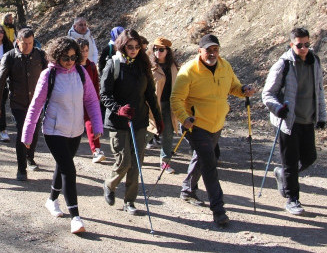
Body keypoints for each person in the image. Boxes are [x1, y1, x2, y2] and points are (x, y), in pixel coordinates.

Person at [171, 34, 255, 227]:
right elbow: (175, 98)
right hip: (196, 124)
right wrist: (184, 118)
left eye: (215, 49)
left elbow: (233, 87)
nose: (212, 53)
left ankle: (188, 189)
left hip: (216, 124)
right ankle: (219, 210)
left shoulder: (225, 66)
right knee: (210, 164)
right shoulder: (189, 71)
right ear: (199, 51)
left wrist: (243, 90)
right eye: (208, 50)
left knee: (203, 158)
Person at [22, 37, 103, 234]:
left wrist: (97, 125)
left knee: (62, 165)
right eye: (65, 58)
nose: (70, 61)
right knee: (69, 169)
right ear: (56, 56)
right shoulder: (48, 75)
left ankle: (51, 200)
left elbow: (92, 101)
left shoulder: (81, 73)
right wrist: (28, 133)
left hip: (75, 131)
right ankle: (76, 216)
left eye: (74, 57)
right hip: (54, 130)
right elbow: (35, 105)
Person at [262, 27, 327, 215]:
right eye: (300, 45)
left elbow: (319, 90)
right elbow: (268, 94)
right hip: (288, 121)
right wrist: (278, 109)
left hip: (307, 119)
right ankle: (292, 199)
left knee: (309, 157)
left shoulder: (315, 61)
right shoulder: (283, 64)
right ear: (292, 45)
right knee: (290, 162)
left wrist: (321, 116)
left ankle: (283, 175)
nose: (304, 48)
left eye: (307, 44)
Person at [101, 29, 162, 215]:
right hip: (118, 122)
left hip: (140, 120)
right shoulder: (113, 64)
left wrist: (158, 120)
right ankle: (110, 185)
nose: (134, 50)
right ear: (122, 46)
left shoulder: (143, 66)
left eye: (137, 47)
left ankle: (130, 201)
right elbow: (104, 94)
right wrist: (118, 109)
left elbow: (150, 94)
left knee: (136, 163)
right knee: (124, 161)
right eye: (130, 47)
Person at [0, 28, 48, 180]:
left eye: (30, 43)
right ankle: (21, 169)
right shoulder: (9, 57)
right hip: (18, 103)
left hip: (37, 103)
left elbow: (49, 77)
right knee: (22, 133)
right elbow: (0, 82)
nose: (28, 46)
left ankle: (30, 157)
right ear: (18, 42)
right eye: (24, 43)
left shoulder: (40, 55)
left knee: (35, 132)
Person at [150, 37, 181, 174]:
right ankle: (134, 158)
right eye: (155, 49)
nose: (158, 52)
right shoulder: (150, 66)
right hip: (153, 105)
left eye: (161, 49)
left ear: (167, 51)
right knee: (147, 132)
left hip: (169, 104)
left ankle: (165, 161)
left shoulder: (173, 67)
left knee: (168, 133)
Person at [76, 38, 105, 163]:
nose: (84, 53)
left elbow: (95, 84)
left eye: (86, 50)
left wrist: (96, 100)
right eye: (82, 50)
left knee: (91, 123)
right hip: (75, 100)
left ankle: (96, 150)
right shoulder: (72, 66)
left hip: (89, 100)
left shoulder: (92, 66)